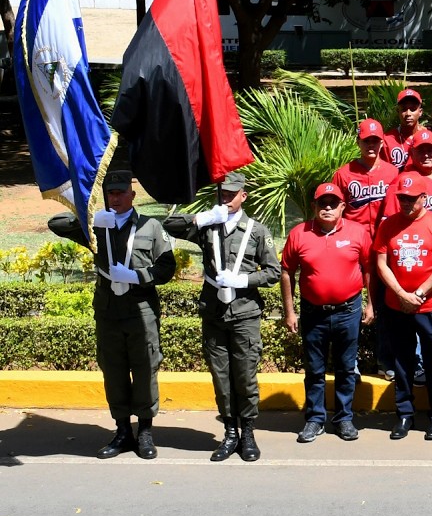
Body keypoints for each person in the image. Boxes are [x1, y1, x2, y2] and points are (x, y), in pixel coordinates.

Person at [48, 170, 176, 459]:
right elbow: (55, 224)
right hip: (108, 312)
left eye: (120, 193)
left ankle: (144, 432)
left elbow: (166, 267)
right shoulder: (98, 227)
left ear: (133, 196)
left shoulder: (150, 227)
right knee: (114, 371)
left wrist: (136, 276)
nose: (115, 198)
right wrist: (87, 217)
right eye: (111, 194)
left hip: (141, 311)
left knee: (145, 370)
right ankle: (121, 431)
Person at [164, 171, 282, 462]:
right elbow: (169, 225)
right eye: (223, 193)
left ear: (244, 195)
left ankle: (249, 434)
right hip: (214, 311)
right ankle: (230, 433)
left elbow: (273, 272)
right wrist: (203, 217)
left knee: (245, 375)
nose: (226, 198)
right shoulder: (209, 226)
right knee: (221, 375)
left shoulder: (256, 230)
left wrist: (243, 281)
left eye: (232, 194)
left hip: (244, 313)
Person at [280, 183, 374, 444]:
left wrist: (370, 304)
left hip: (348, 310)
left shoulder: (358, 232)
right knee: (314, 370)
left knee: (346, 368)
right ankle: (315, 419)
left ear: (343, 206)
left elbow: (369, 268)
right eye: (323, 203)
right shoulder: (299, 233)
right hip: (313, 314)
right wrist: (289, 311)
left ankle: (344, 418)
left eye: (334, 203)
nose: (328, 207)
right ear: (315, 206)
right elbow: (286, 271)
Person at [374, 173, 432, 441]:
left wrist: (418, 294)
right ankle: (405, 414)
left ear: (424, 198)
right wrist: (400, 294)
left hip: (431, 304)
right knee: (402, 361)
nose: (406, 203)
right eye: (402, 198)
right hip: (397, 305)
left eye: (411, 198)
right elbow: (382, 263)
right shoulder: (388, 226)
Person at [333, 118, 404, 382]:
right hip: (353, 247)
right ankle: (349, 362)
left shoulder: (392, 173)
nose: (371, 145)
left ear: (382, 142)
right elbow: (336, 210)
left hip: (384, 247)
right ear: (359, 142)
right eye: (367, 140)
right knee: (350, 306)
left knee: (385, 307)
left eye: (376, 140)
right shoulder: (344, 173)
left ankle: (385, 361)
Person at [383, 88, 426, 170]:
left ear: (420, 112)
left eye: (413, 109)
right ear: (397, 111)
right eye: (404, 109)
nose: (408, 114)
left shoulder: (429, 137)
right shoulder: (387, 140)